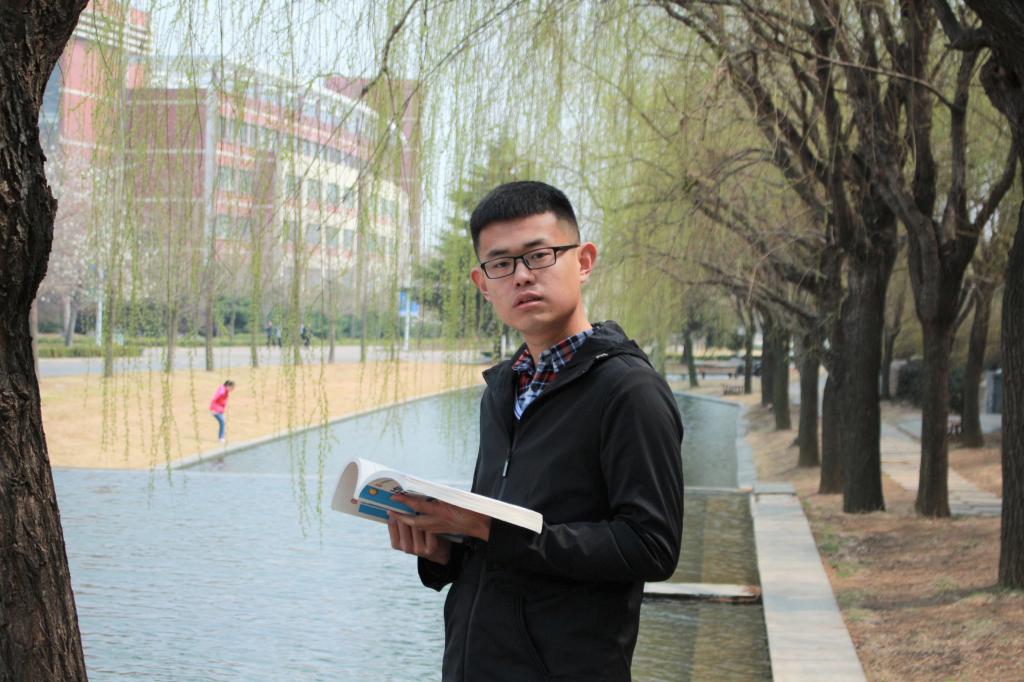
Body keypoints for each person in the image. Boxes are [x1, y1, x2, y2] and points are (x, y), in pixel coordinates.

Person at [386, 181, 684, 681]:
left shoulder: (629, 390)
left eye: (539, 255)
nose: (522, 275)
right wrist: (444, 550)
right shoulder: (503, 389)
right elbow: (505, 536)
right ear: (483, 284)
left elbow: (650, 546)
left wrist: (490, 529)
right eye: (500, 264)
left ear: (583, 261)